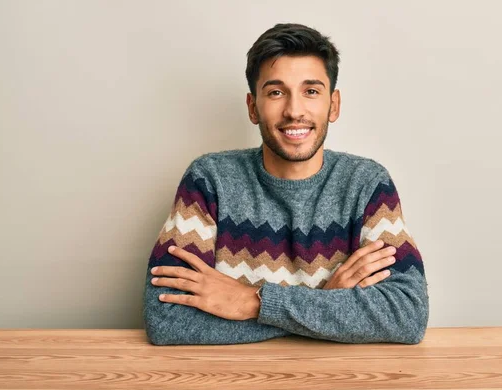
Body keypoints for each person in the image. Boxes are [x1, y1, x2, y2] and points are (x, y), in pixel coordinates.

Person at [142, 23, 429, 345]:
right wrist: (326, 302)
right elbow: (167, 319)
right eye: (276, 92)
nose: (294, 111)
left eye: (311, 91)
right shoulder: (209, 180)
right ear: (253, 107)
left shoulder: (366, 183)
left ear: (333, 105)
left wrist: (254, 302)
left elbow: (407, 315)